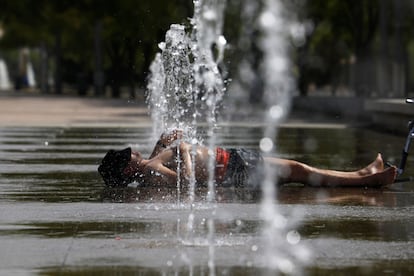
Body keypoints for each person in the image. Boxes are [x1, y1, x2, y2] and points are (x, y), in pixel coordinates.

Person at [98, 130, 397, 189]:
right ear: (127, 166)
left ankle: (362, 175)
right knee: (298, 170)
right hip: (233, 167)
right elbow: (186, 182)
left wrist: (161, 143)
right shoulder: (151, 170)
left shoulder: (148, 169)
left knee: (297, 171)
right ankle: (365, 178)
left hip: (231, 161)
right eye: (130, 155)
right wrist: (185, 150)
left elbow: (157, 164)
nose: (134, 152)